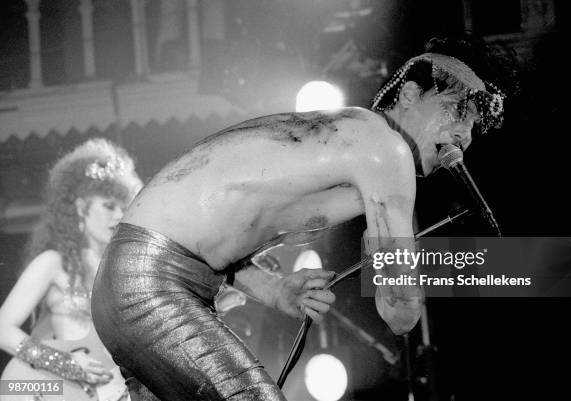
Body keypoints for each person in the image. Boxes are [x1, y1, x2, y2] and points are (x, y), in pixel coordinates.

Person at [91, 35, 518, 401]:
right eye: (456, 111)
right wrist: (466, 269)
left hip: (137, 280)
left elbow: (213, 228)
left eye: (474, 126)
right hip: (152, 284)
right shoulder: (384, 148)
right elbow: (399, 312)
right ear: (409, 94)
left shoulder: (348, 145)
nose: (465, 134)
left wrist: (276, 290)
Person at [0, 138, 143, 399]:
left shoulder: (128, 268)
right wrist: (63, 363)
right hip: (61, 390)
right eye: (109, 206)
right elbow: (2, 328)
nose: (118, 215)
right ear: (81, 207)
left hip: (119, 388)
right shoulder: (53, 262)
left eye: (124, 207)